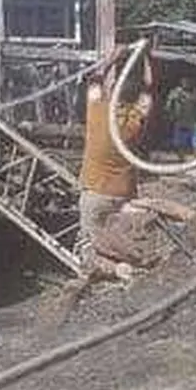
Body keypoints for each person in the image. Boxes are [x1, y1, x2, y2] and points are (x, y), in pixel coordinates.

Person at [77, 46, 156, 269]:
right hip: (123, 194)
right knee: (119, 241)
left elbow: (95, 79)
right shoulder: (134, 122)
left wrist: (113, 58)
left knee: (88, 244)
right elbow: (148, 90)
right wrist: (146, 58)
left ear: (112, 93)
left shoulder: (96, 111)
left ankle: (111, 271)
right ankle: (123, 268)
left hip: (94, 191)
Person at [164, 77, 196, 159]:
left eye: (188, 81)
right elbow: (168, 105)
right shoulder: (176, 92)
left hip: (192, 120)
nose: (186, 83)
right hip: (179, 119)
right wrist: (170, 115)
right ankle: (181, 158)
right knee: (179, 141)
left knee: (195, 141)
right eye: (184, 81)